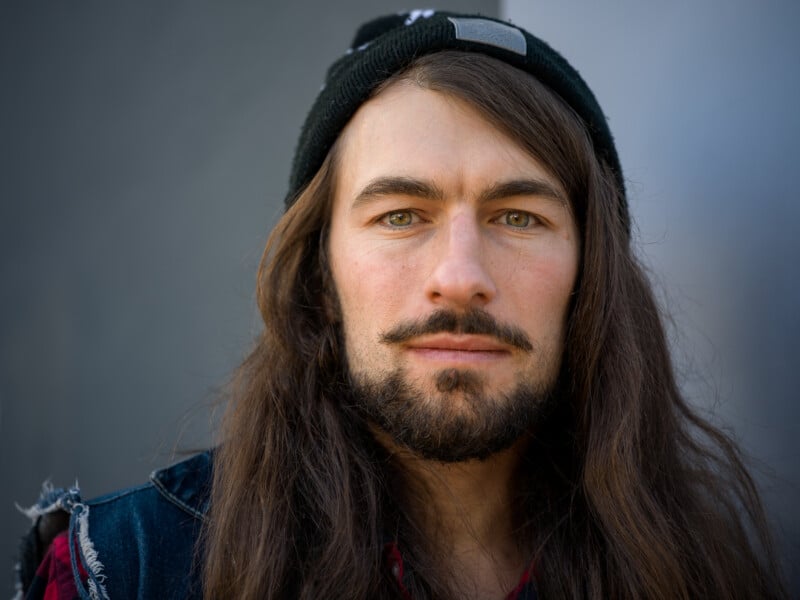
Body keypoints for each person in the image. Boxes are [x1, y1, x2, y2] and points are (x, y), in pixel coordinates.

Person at [15, 10, 787, 600]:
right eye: (400, 215)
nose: (459, 276)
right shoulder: (125, 570)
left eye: (519, 216)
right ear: (319, 273)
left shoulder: (700, 567)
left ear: (592, 275)